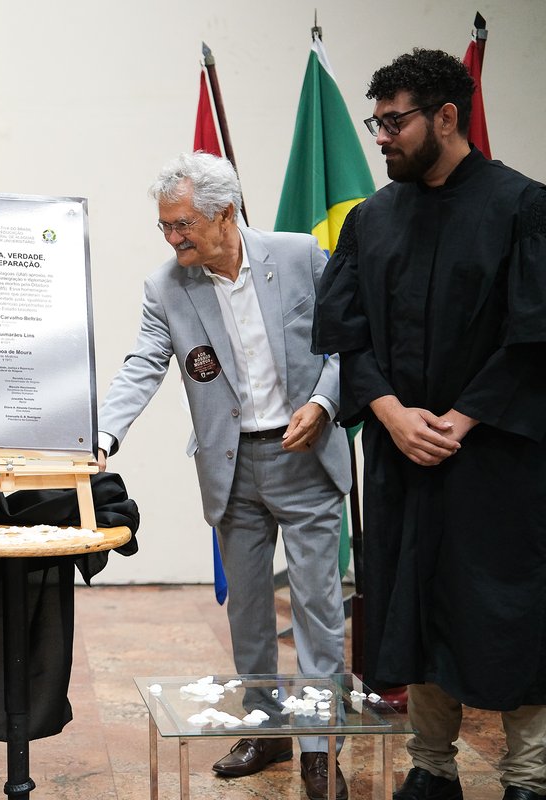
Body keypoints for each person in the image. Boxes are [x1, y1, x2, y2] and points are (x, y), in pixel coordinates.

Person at [315, 48, 546, 800]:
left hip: (497, 457)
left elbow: (534, 335)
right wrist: (389, 413)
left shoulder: (523, 207)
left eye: (395, 122)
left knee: (508, 609)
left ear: (447, 117)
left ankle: (528, 774)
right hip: (401, 454)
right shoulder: (372, 219)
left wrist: (459, 420)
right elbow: (345, 334)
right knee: (411, 604)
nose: (382, 137)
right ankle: (432, 766)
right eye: (376, 123)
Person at [99, 152, 352, 800]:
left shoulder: (299, 256)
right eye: (164, 226)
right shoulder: (166, 287)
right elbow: (143, 363)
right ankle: (265, 727)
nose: (172, 238)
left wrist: (324, 403)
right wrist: (101, 435)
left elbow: (347, 343)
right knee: (247, 611)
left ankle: (319, 746)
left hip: (305, 453)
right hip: (231, 466)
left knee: (318, 608)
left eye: (182, 224)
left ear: (225, 214)